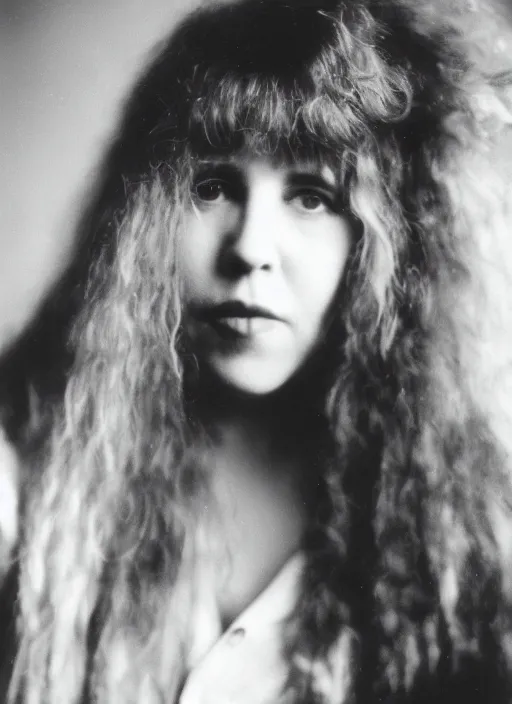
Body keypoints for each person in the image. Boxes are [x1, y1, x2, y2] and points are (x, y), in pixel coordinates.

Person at [2, 0, 512, 701]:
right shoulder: (32, 459)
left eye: (310, 196)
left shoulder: (464, 541)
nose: (248, 250)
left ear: (387, 242)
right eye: (212, 187)